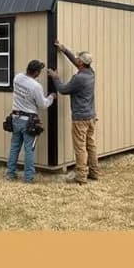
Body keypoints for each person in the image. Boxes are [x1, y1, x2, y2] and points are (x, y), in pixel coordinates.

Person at [48, 41, 98, 184]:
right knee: (91, 145)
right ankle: (94, 172)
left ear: (81, 63)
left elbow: (63, 90)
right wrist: (64, 50)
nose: (76, 60)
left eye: (78, 59)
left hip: (80, 119)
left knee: (80, 148)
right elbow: (77, 63)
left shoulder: (79, 78)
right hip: (91, 117)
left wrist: (55, 77)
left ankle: (81, 177)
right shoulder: (90, 73)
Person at [6, 59, 54, 183]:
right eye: (40, 71)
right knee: (29, 150)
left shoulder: (17, 78)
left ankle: (10, 174)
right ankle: (28, 178)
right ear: (36, 72)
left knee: (14, 147)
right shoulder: (36, 86)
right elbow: (42, 105)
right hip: (29, 122)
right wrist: (51, 97)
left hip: (15, 118)